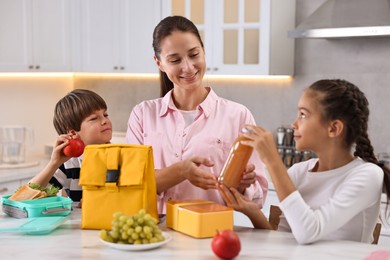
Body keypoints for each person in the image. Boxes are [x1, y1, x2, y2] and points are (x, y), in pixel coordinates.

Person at [218, 79, 390, 244]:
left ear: (333, 128)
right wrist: (253, 212)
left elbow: (309, 232)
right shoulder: (299, 171)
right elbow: (284, 239)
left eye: (303, 115)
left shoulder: (367, 175)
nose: (294, 124)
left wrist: (272, 159)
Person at [126, 15, 268, 214]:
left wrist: (244, 184)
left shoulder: (238, 116)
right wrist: (182, 171)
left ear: (203, 51)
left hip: (212, 234)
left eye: (194, 55)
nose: (188, 67)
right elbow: (131, 183)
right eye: (175, 60)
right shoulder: (143, 115)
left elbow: (258, 195)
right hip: (155, 235)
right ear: (159, 63)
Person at [30, 89, 113, 202]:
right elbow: (28, 196)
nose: (105, 121)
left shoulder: (120, 157)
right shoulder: (70, 164)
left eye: (105, 115)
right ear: (73, 133)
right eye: (94, 118)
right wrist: (54, 163)